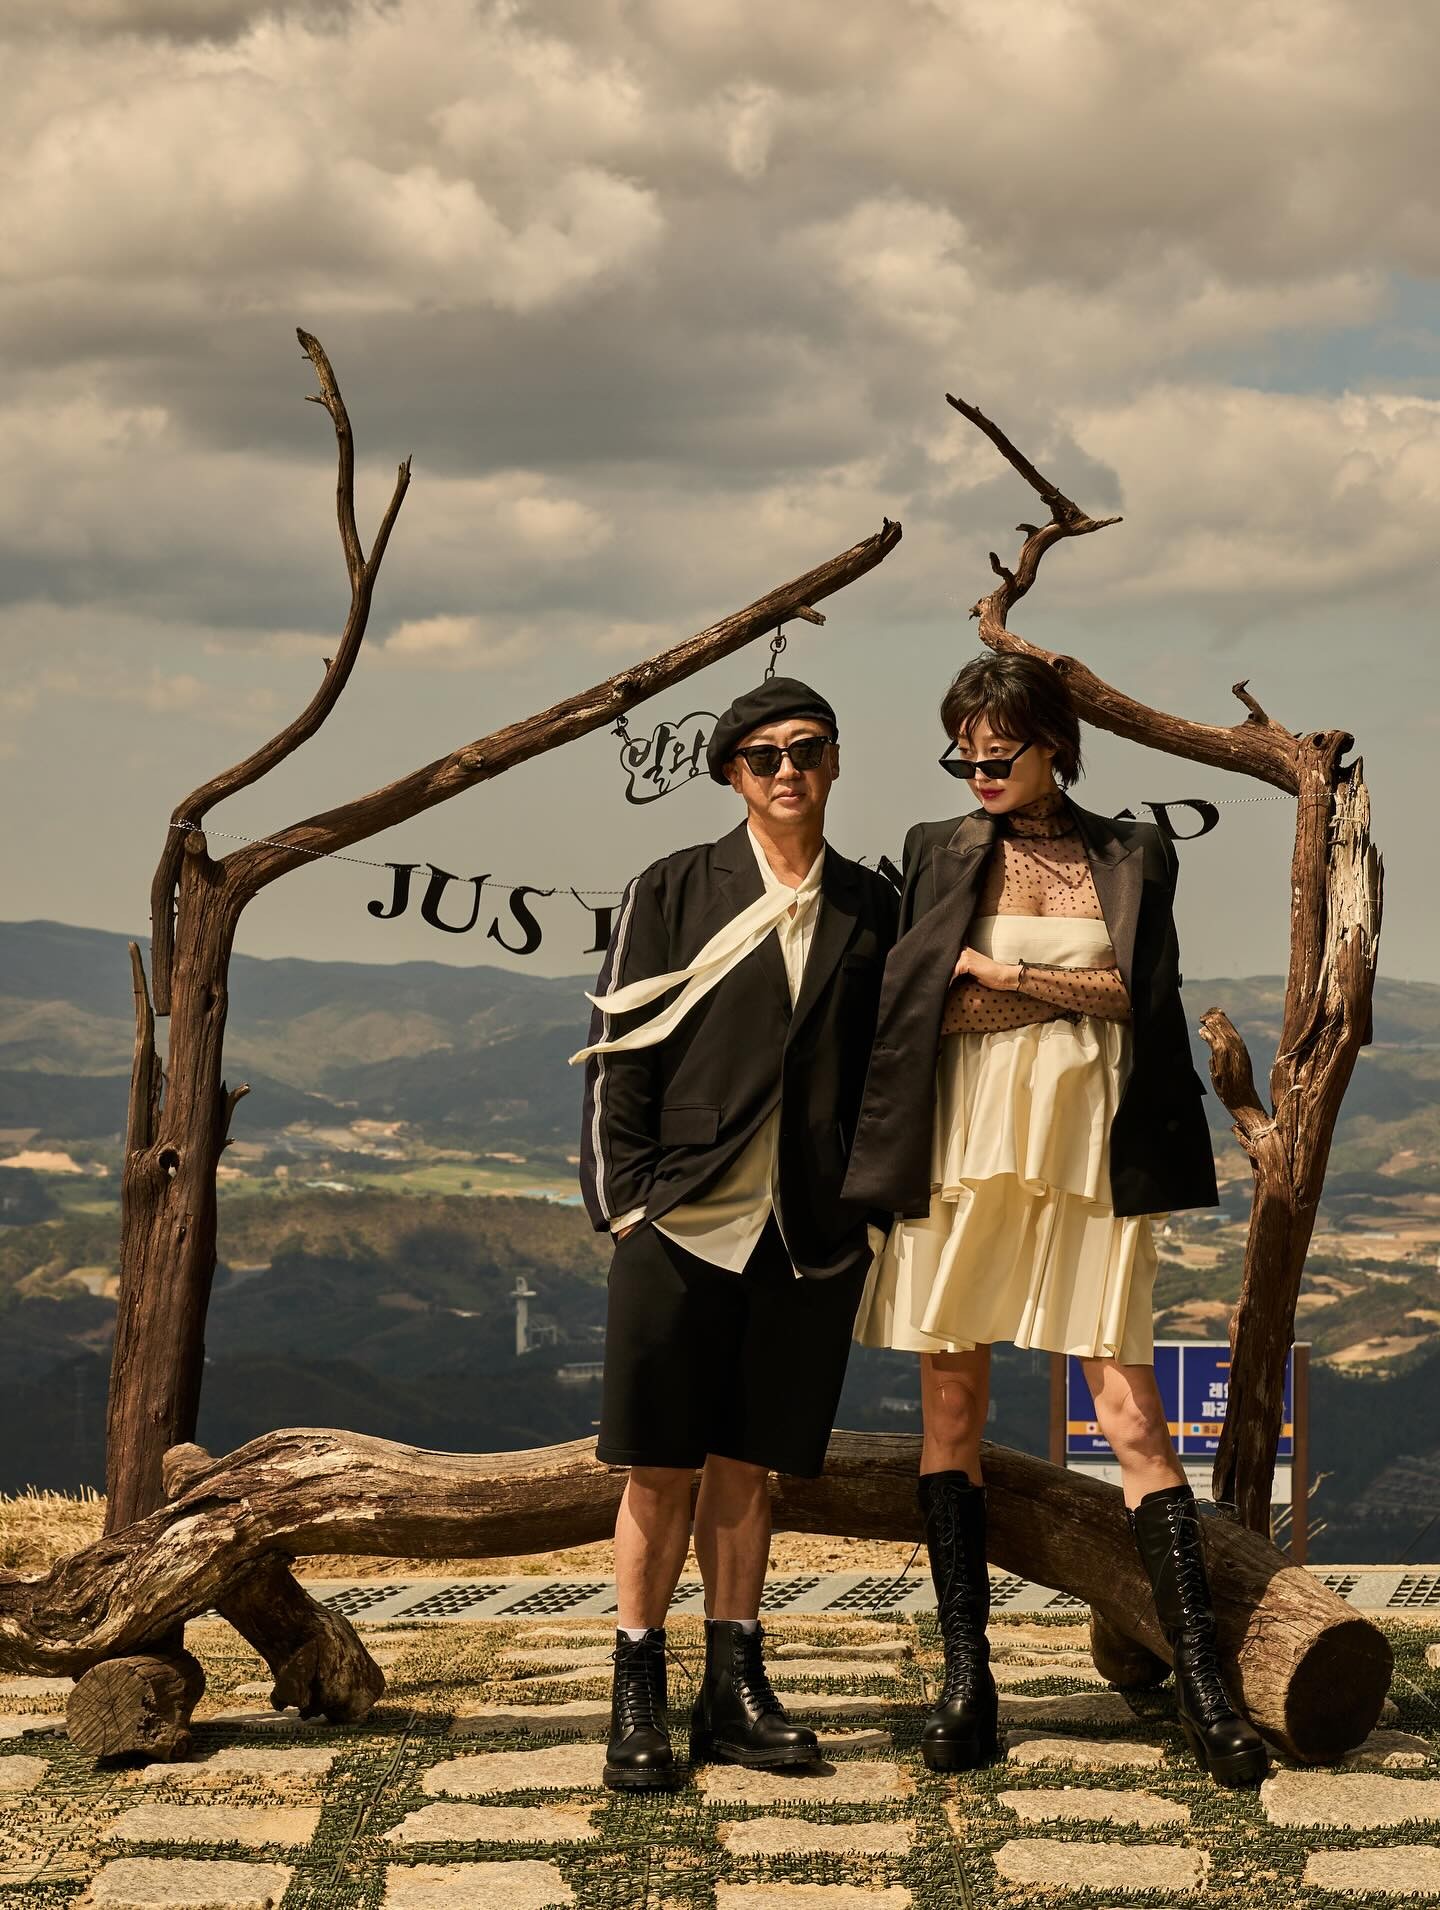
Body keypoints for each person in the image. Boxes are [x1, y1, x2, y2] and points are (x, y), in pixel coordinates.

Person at [843, 650, 1269, 1788]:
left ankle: (1205, 1684)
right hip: (963, 1151)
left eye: (999, 754)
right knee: (952, 1403)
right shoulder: (937, 849)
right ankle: (966, 1677)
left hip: (1090, 1159)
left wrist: (1004, 976)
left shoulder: (1134, 851)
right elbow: (918, 1006)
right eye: (963, 758)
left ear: (1056, 747)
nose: (979, 773)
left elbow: (1147, 998)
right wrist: (1039, 992)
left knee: (1132, 1415)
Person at [573, 675, 899, 1791]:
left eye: (808, 748)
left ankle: (735, 1686)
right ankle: (637, 1690)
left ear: (835, 760)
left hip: (808, 1231)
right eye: (765, 756)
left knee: (749, 1467)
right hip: (679, 1220)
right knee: (658, 1465)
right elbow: (617, 1053)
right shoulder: (670, 887)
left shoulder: (873, 903)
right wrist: (626, 1205)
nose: (788, 769)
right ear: (732, 775)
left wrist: (870, 1208)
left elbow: (892, 1066)